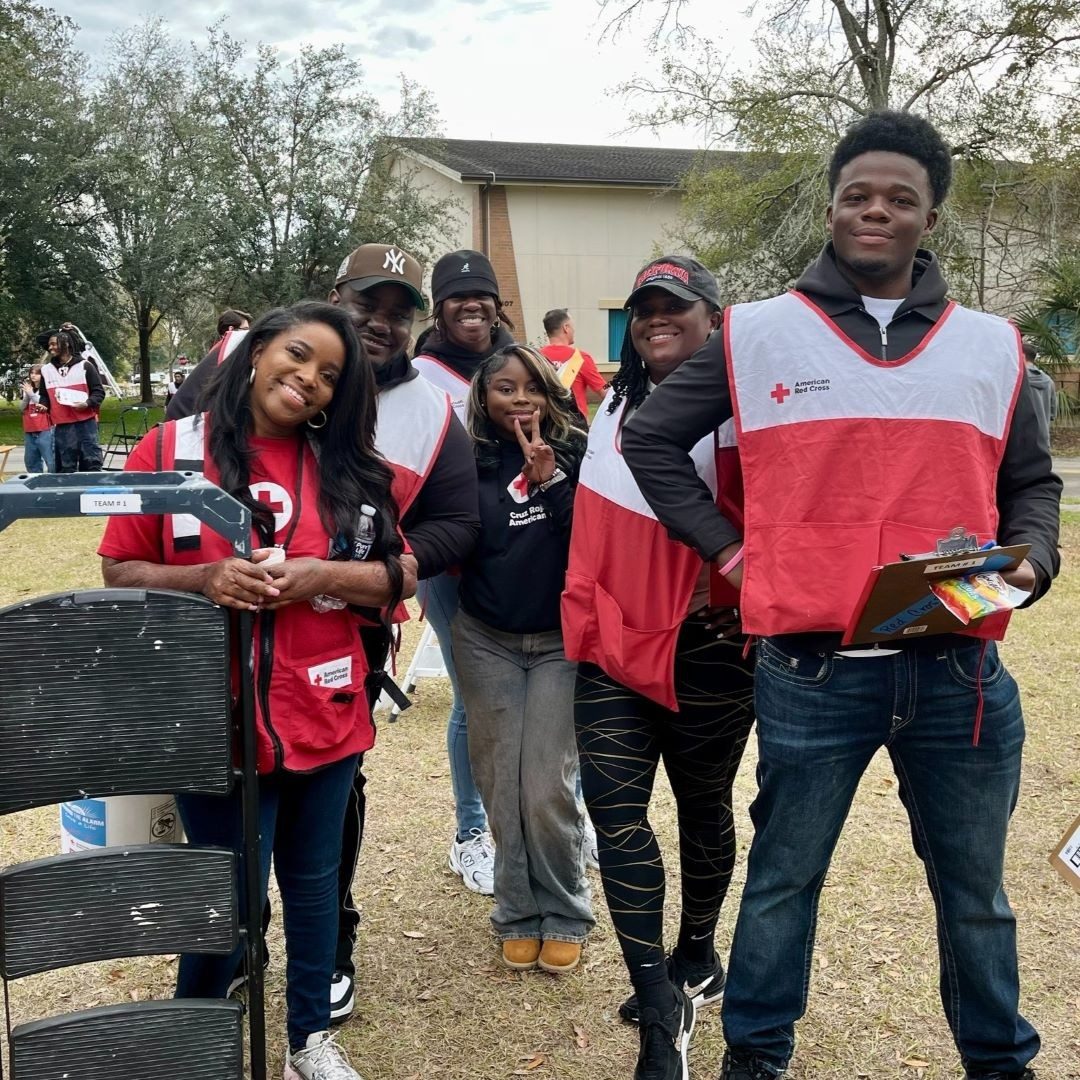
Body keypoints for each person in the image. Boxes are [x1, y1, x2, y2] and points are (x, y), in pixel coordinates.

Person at [622, 111, 1062, 1080]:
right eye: (859, 193)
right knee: (783, 883)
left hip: (960, 671)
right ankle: (756, 1059)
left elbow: (1032, 484)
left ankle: (1001, 1063)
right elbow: (649, 439)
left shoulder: (993, 345)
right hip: (810, 673)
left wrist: (1032, 557)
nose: (877, 210)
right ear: (831, 207)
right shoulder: (757, 333)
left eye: (900, 198)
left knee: (975, 894)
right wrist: (731, 555)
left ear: (929, 217)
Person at [99, 301, 415, 1080]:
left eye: (330, 377)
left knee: (313, 889)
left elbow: (398, 575)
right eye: (298, 356)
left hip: (326, 713)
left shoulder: (347, 469)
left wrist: (319, 576)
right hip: (210, 719)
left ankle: (310, 1040)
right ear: (258, 348)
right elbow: (119, 571)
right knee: (220, 894)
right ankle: (196, 1040)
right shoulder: (169, 450)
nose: (308, 380)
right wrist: (205, 580)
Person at [166, 242, 480, 1026]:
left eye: (397, 312)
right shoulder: (244, 372)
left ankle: (326, 963)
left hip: (344, 651)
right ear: (334, 296)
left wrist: (367, 573)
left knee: (327, 828)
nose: (379, 322)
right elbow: (168, 486)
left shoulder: (432, 407)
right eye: (366, 304)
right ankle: (232, 964)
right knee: (233, 848)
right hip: (220, 671)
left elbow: (457, 525)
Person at [562, 256, 755, 1080]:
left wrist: (742, 595)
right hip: (614, 648)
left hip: (711, 646)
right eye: (643, 309)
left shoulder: (747, 411)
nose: (654, 319)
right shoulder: (611, 404)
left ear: (714, 317)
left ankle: (698, 955)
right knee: (615, 814)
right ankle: (658, 1004)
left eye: (674, 306)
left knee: (703, 803)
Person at [452, 344, 594, 972]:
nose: (519, 399)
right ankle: (515, 909)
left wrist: (551, 480)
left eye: (530, 387)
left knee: (545, 781)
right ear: (484, 397)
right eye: (504, 388)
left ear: (548, 393)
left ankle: (564, 910)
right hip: (487, 639)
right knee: (499, 783)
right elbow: (449, 536)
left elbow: (592, 542)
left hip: (562, 641)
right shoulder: (465, 462)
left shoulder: (578, 451)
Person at [411, 249, 517, 895]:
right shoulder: (419, 375)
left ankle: (553, 820)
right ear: (440, 307)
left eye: (482, 294)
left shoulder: (518, 364)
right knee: (472, 698)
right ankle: (469, 833)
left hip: (522, 556)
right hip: (448, 561)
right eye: (457, 296)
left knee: (546, 693)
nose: (472, 305)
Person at [38, 327, 104, 472]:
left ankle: (91, 492)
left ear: (66, 343)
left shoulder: (85, 366)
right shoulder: (46, 370)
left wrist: (87, 403)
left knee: (91, 461)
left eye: (54, 344)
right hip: (62, 425)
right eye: (49, 345)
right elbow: (44, 395)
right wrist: (43, 405)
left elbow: (99, 392)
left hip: (86, 423)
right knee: (66, 465)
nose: (50, 347)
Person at [539, 308, 608, 418]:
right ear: (566, 328)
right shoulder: (580, 358)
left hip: (545, 424)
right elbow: (605, 392)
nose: (574, 330)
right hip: (575, 426)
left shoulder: (536, 357)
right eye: (572, 326)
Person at [21, 364, 55, 472]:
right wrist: (27, 395)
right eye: (31, 373)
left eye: (37, 373)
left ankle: (53, 480)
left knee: (50, 458)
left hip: (44, 428)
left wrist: (31, 393)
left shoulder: (46, 389)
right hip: (30, 428)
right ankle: (36, 480)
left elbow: (43, 402)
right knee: (30, 459)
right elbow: (22, 407)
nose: (33, 376)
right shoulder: (29, 389)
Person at [1022, 340, 1057, 439]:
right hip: (1043, 439)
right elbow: (1052, 413)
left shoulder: (1016, 381)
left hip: (1020, 440)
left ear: (1022, 356)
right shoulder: (1049, 381)